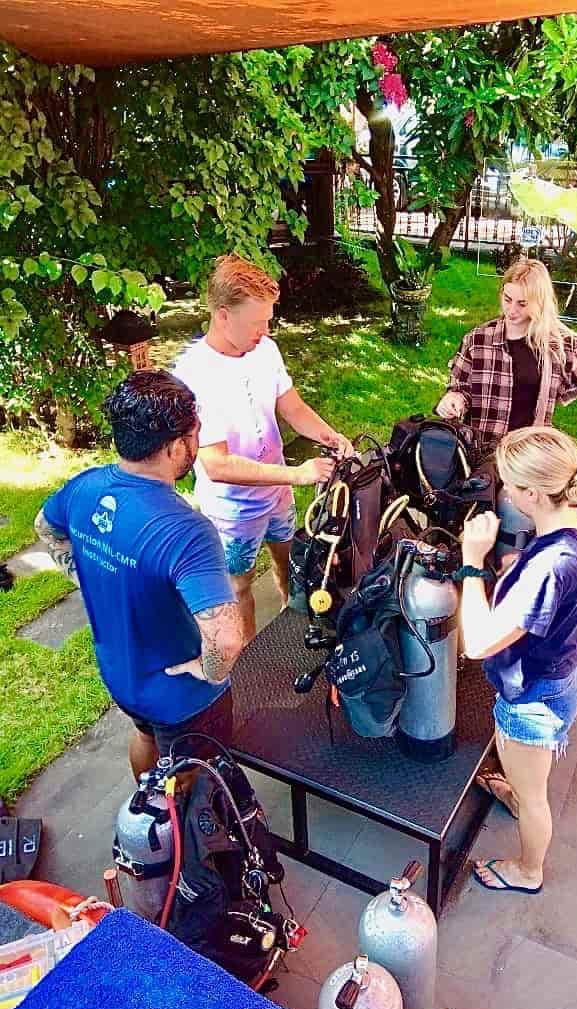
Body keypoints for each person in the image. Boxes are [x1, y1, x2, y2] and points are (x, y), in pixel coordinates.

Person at [35, 370, 243, 780]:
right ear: (175, 446)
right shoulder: (186, 531)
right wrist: (209, 671)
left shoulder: (85, 487)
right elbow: (227, 638)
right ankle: (179, 832)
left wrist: (84, 574)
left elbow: (45, 526)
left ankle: (147, 804)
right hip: (182, 699)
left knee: (146, 739)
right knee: (195, 778)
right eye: (195, 433)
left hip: (120, 674)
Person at [173, 254, 353, 643]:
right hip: (232, 509)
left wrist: (330, 436)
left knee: (289, 562)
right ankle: (253, 658)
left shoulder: (265, 350)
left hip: (277, 495)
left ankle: (295, 633)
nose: (265, 329)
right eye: (257, 322)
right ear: (223, 315)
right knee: (239, 588)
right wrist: (298, 474)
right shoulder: (193, 375)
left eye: (267, 320)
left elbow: (292, 406)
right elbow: (216, 465)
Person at [459, 427, 577, 893]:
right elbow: (547, 578)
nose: (502, 490)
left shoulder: (549, 567)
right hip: (561, 670)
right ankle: (517, 787)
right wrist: (515, 567)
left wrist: (471, 561)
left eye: (508, 483)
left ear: (533, 493)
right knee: (525, 770)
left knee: (536, 796)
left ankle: (528, 869)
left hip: (534, 696)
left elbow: (478, 642)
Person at [436, 258, 577, 446]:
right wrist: (453, 399)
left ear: (539, 302)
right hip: (480, 447)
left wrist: (559, 394)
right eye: (507, 299)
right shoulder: (478, 339)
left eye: (522, 303)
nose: (511, 310)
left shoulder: (560, 344)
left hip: (527, 454)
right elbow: (460, 387)